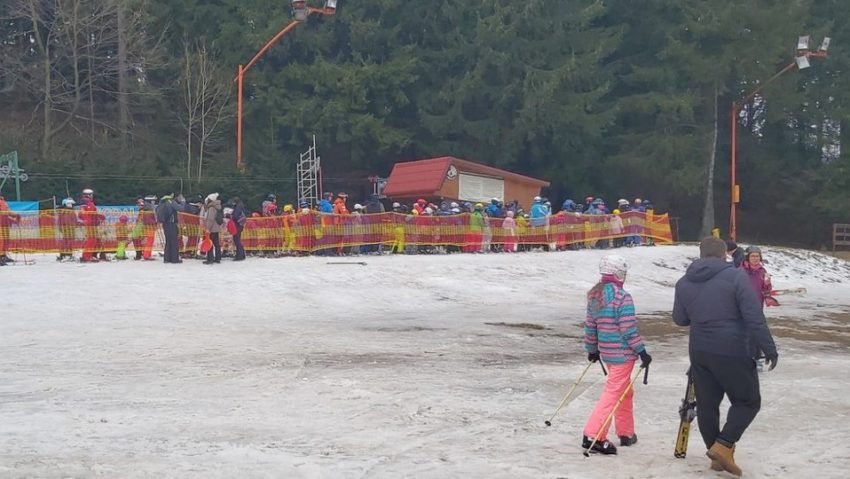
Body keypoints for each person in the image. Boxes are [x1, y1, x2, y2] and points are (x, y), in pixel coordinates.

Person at [672, 237, 778, 477]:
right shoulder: (736, 276)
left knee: (708, 405)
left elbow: (680, 319)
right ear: (724, 255)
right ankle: (724, 445)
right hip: (732, 350)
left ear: (700, 255)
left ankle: (717, 455)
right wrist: (769, 348)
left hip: (699, 350)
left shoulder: (684, 282)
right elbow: (753, 315)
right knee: (748, 401)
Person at [583, 255, 651, 455]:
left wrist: (592, 349)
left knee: (625, 391)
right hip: (623, 355)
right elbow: (628, 329)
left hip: (607, 353)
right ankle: (593, 435)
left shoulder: (595, 295)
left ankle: (626, 432)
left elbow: (590, 326)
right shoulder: (623, 297)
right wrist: (642, 351)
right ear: (618, 273)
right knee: (613, 393)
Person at [156, 194, 181, 263]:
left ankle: (167, 258)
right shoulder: (171, 202)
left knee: (168, 241)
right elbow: (180, 208)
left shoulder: (161, 203)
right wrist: (183, 202)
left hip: (165, 224)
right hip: (171, 223)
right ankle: (174, 259)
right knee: (174, 242)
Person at [201, 193, 222, 264]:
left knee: (209, 243)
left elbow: (210, 219)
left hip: (212, 229)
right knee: (216, 244)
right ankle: (218, 258)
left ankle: (210, 259)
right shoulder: (218, 207)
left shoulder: (212, 208)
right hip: (216, 228)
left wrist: (207, 228)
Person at [229, 196, 247, 261]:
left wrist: (230, 215)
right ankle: (242, 255)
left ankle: (239, 256)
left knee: (237, 240)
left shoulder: (238, 207)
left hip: (237, 225)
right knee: (238, 239)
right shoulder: (241, 205)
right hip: (240, 224)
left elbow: (235, 216)